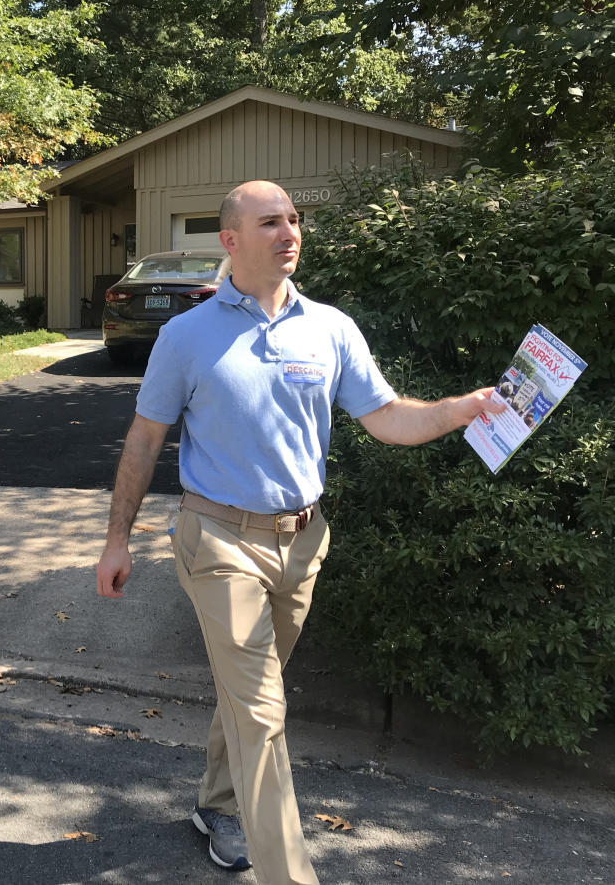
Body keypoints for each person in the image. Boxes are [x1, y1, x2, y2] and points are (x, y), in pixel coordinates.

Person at [94, 180, 504, 885]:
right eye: (269, 223)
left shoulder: (330, 327)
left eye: (293, 220)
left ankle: (219, 807)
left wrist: (464, 409)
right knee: (261, 710)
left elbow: (389, 419)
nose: (290, 233)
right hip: (217, 538)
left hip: (302, 542)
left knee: (252, 689)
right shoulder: (186, 336)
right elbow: (144, 438)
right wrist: (116, 538)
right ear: (230, 241)